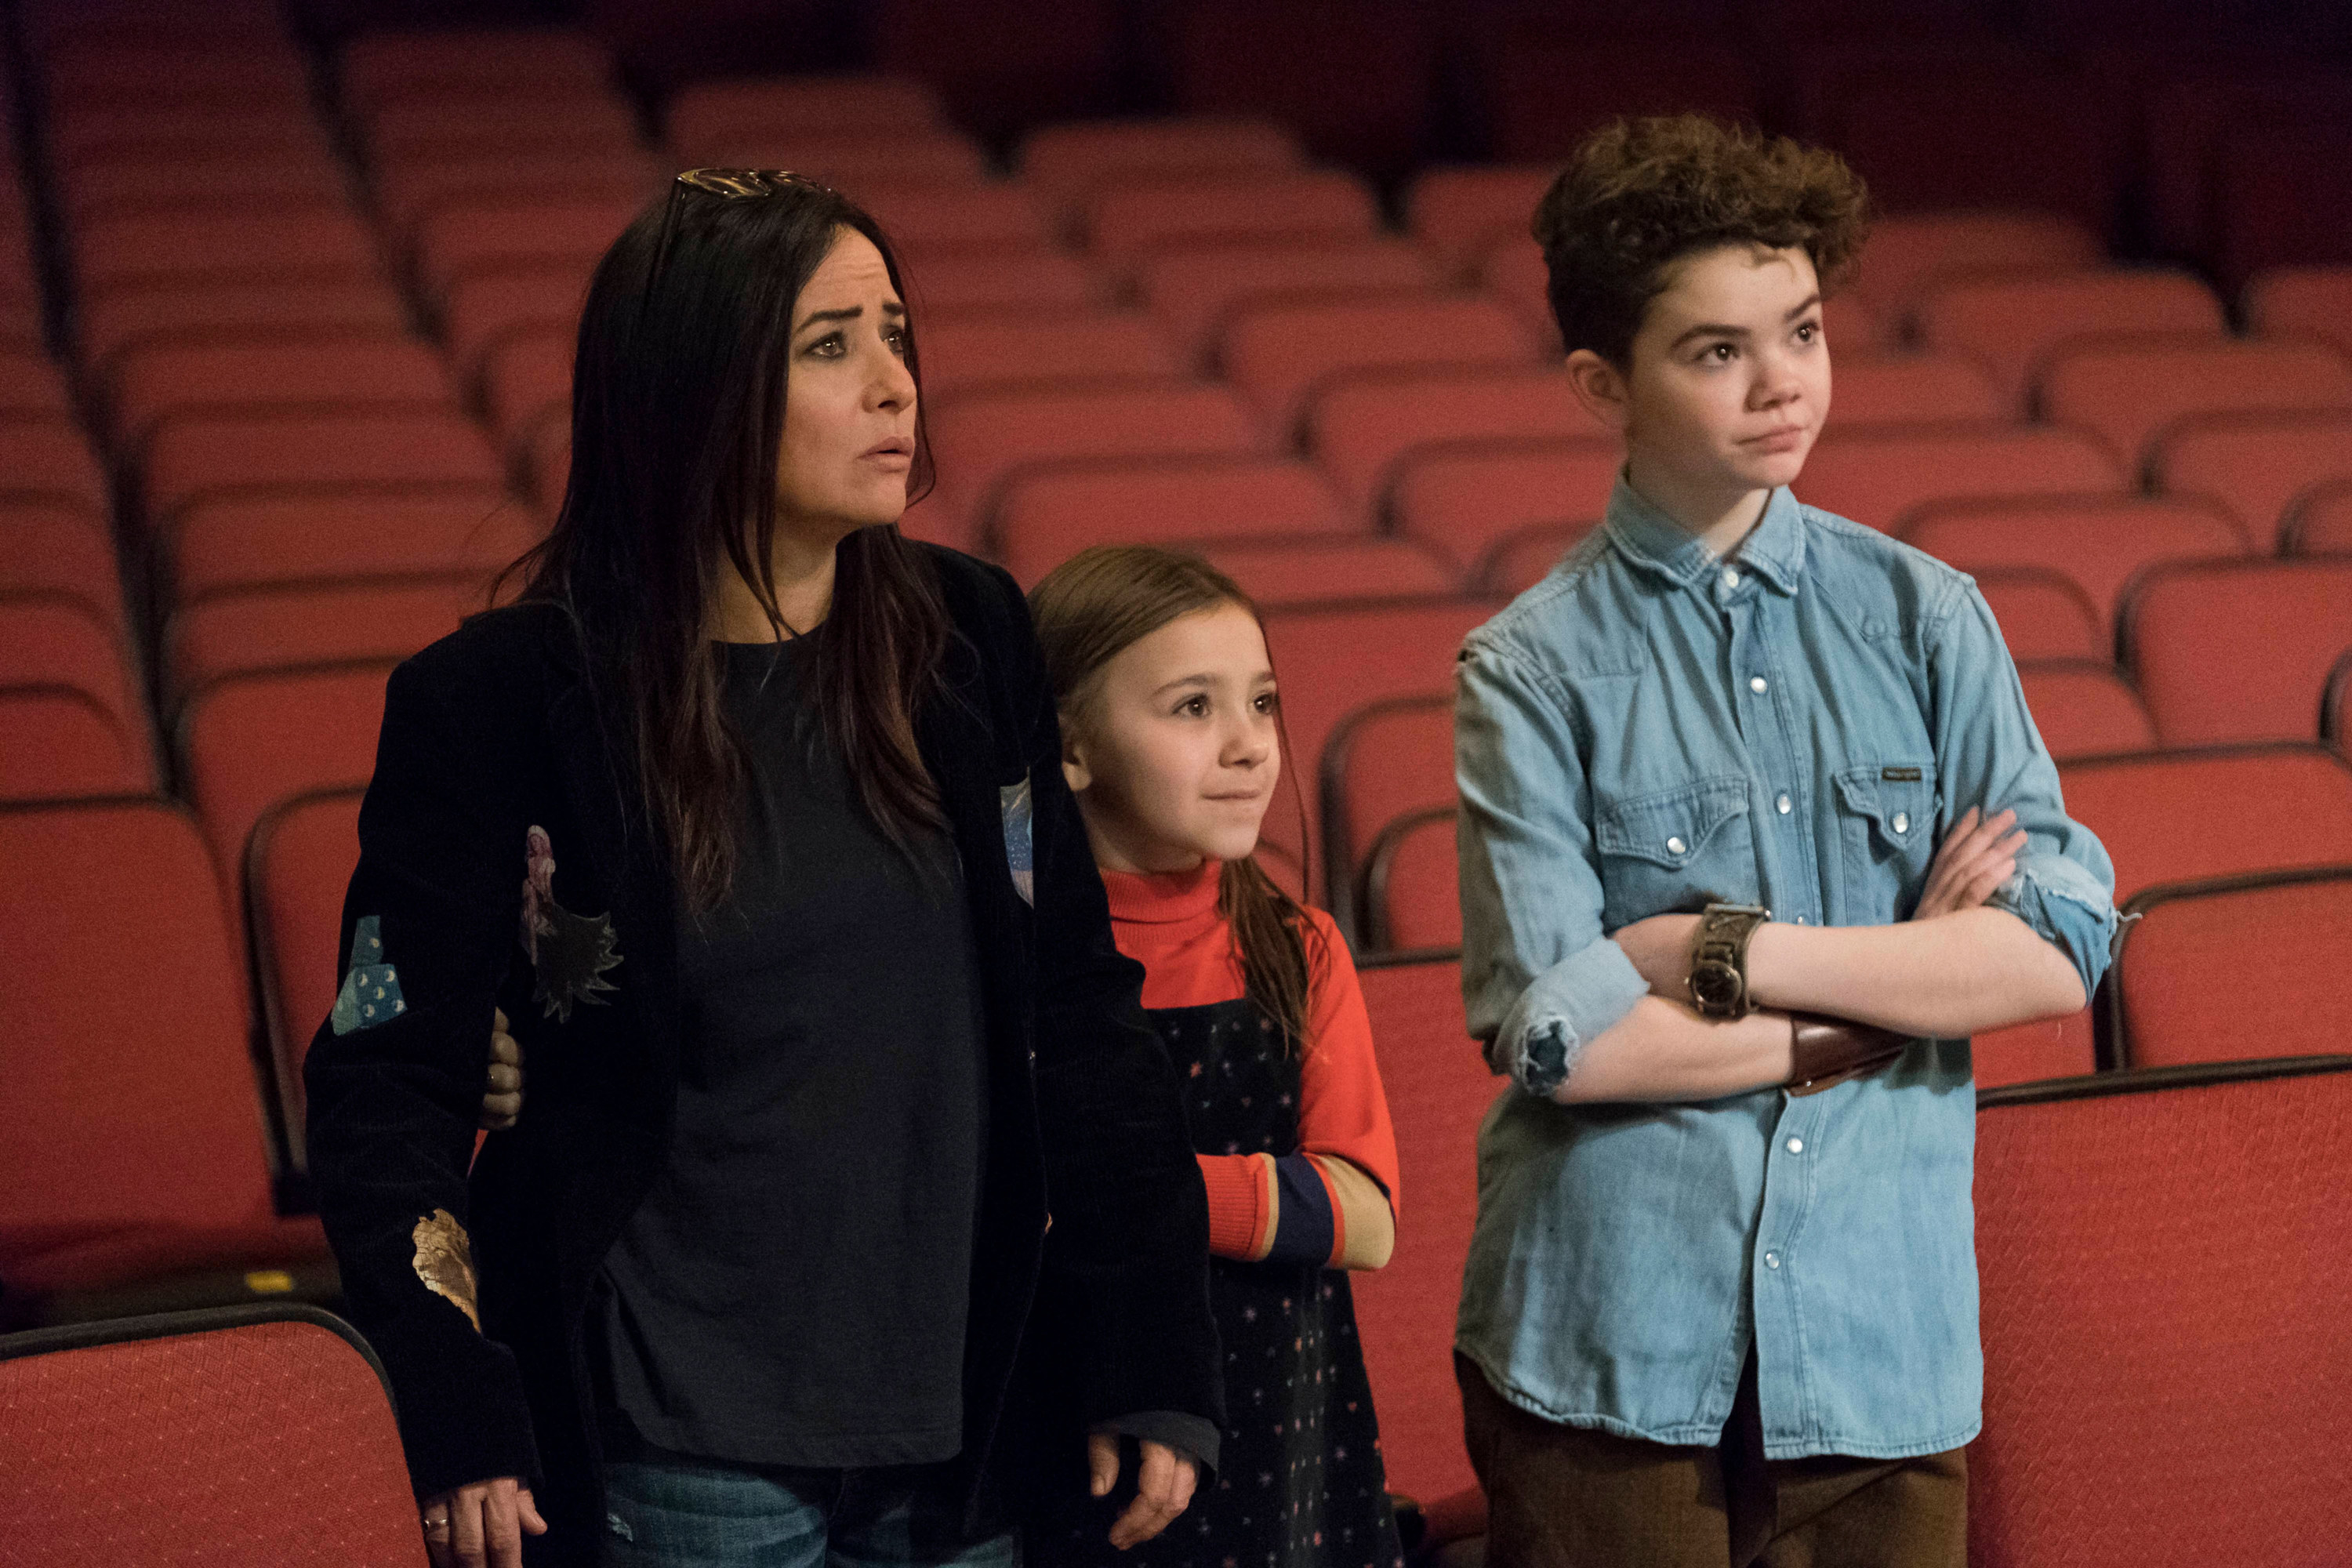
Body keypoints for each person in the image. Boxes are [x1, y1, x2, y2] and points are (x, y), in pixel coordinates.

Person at [302, 169, 1221, 1568]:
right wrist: (453, 1401)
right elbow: (387, 1083)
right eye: (830, 347)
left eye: (898, 334)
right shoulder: (499, 699)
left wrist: (1147, 1340)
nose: (896, 386)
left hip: (964, 1415)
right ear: (691, 394)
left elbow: (1077, 1011)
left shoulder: (971, 637)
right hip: (676, 1430)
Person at [1448, 118, 2122, 1567]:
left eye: (1803, 331)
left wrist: (1729, 956)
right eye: (1716, 351)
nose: (1782, 384)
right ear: (1600, 384)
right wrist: (1884, 1011)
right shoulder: (1529, 668)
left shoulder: (1927, 615)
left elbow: (2062, 949)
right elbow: (1565, 1039)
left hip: (1882, 1341)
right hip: (1608, 1352)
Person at [1019, 546, 1407, 1568]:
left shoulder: (1299, 946)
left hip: (1284, 1425)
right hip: (1078, 1412)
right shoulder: (1008, 962)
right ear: (1071, 746)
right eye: (1193, 708)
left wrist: (1137, 1197)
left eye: (1264, 703)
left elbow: (1363, 1214)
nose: (1249, 747)